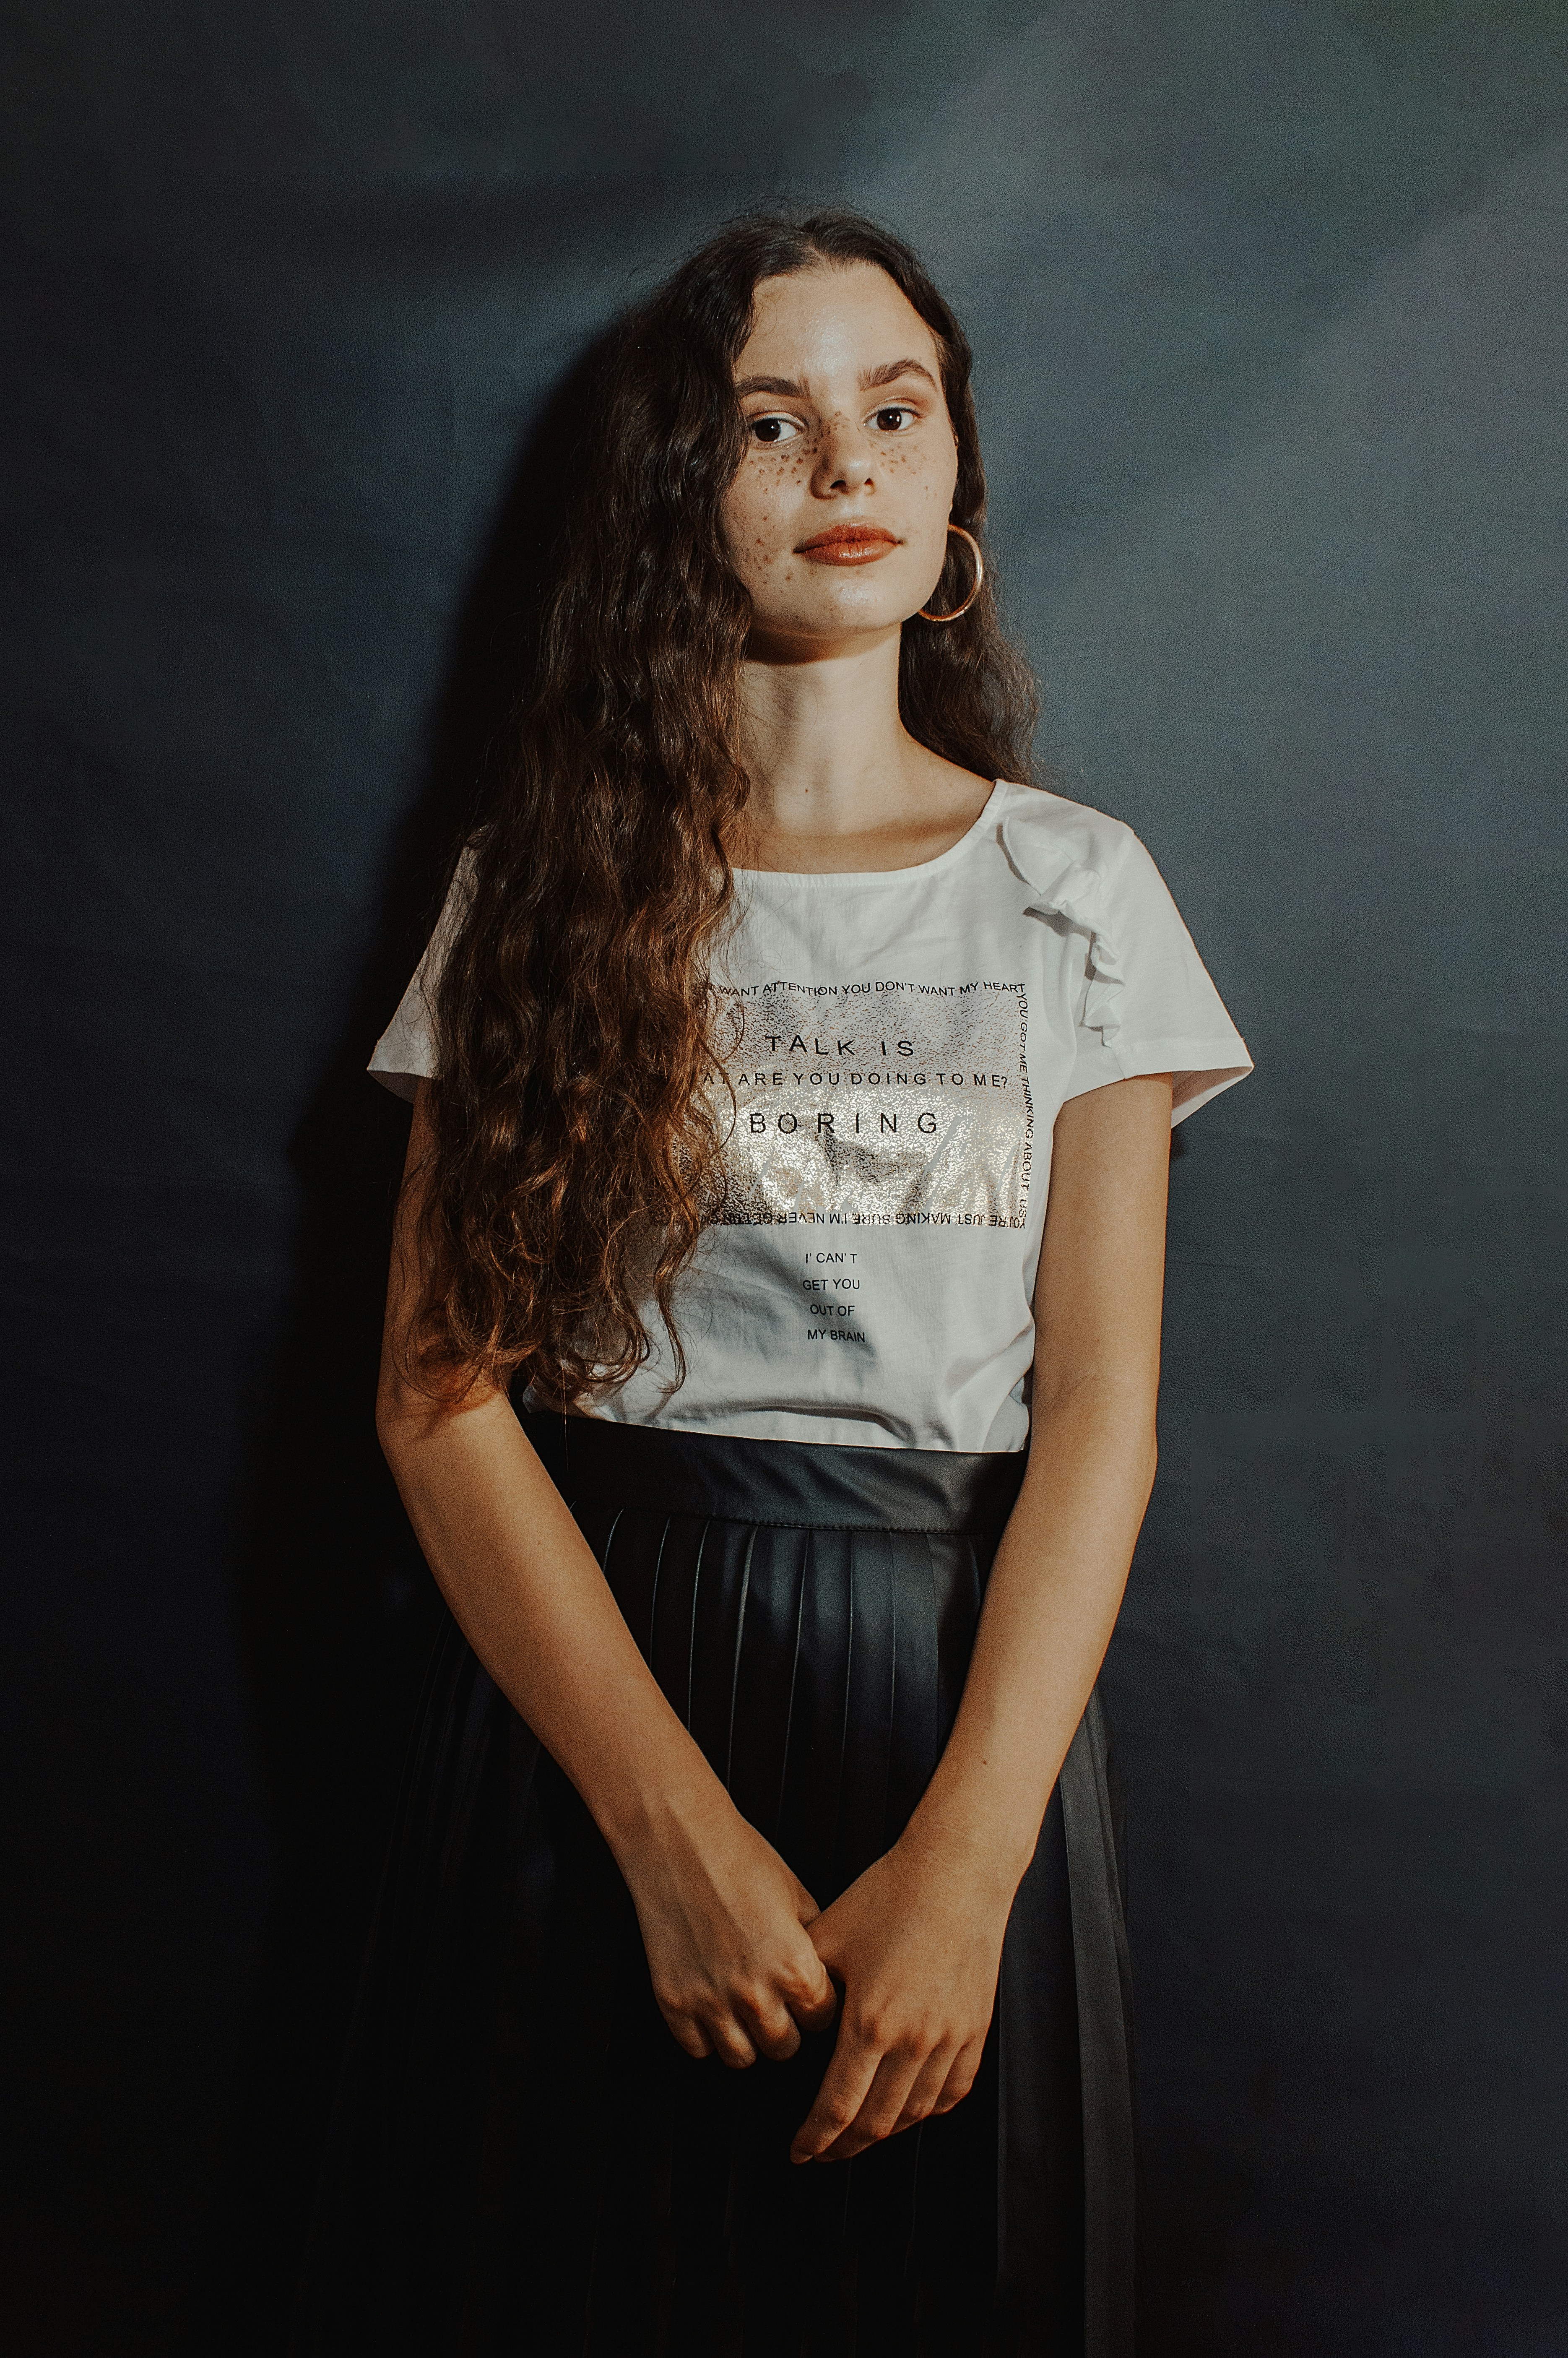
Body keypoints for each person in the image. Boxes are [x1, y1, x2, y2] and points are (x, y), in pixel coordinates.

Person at [293, 210, 1252, 2358]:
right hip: (586, 1697)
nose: (844, 463)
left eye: (894, 409)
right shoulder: (538, 889)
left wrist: (970, 1866)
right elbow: (437, 1394)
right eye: (767, 422)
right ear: (676, 490)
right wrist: (669, 1837)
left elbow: (1101, 1417)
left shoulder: (1075, 892)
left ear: (954, 471)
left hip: (947, 1701)